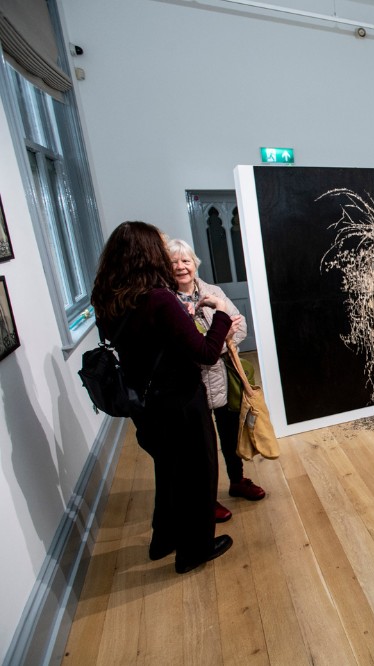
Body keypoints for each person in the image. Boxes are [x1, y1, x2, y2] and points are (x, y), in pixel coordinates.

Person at [91, 221, 235, 574]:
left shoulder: (106, 299)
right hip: (181, 402)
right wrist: (221, 317)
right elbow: (205, 352)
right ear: (149, 254)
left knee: (168, 471)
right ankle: (194, 551)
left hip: (145, 404)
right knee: (198, 475)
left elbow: (143, 343)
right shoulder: (158, 299)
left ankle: (163, 540)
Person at [167, 238, 265, 524]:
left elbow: (241, 325)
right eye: (174, 262)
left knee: (230, 435)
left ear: (194, 264)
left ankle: (237, 481)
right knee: (200, 446)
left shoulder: (213, 292)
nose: (180, 267)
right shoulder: (168, 301)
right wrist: (219, 337)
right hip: (191, 384)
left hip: (222, 378)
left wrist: (213, 345)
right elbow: (185, 348)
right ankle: (205, 500)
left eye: (185, 260)